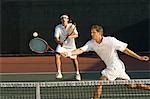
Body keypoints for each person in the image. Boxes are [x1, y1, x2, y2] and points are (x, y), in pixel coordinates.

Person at [63, 25, 150, 99]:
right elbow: (80, 50)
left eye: (93, 32)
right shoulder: (91, 43)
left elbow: (125, 50)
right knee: (131, 85)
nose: (91, 34)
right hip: (115, 67)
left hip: (115, 66)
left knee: (100, 82)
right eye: (91, 32)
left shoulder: (111, 41)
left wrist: (139, 57)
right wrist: (69, 53)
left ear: (99, 33)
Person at [54, 14, 81, 81]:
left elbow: (76, 35)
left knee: (74, 59)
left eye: (65, 18)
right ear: (61, 20)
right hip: (62, 45)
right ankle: (59, 72)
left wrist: (70, 37)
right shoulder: (58, 27)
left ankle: (77, 73)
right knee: (57, 55)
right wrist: (59, 42)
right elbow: (56, 37)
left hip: (71, 46)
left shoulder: (72, 26)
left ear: (68, 20)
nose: (64, 19)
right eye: (62, 18)